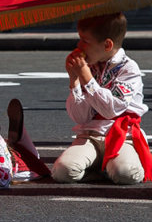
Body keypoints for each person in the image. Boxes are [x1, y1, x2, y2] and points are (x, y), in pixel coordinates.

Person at [52, 12, 149, 185]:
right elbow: (80, 117)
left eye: (85, 41)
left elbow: (111, 110)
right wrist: (74, 80)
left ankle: (115, 164)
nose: (79, 46)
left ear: (107, 45)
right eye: (80, 39)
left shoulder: (129, 69)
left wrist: (87, 80)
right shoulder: (89, 67)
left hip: (122, 135)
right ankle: (98, 168)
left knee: (126, 174)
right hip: (91, 135)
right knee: (62, 172)